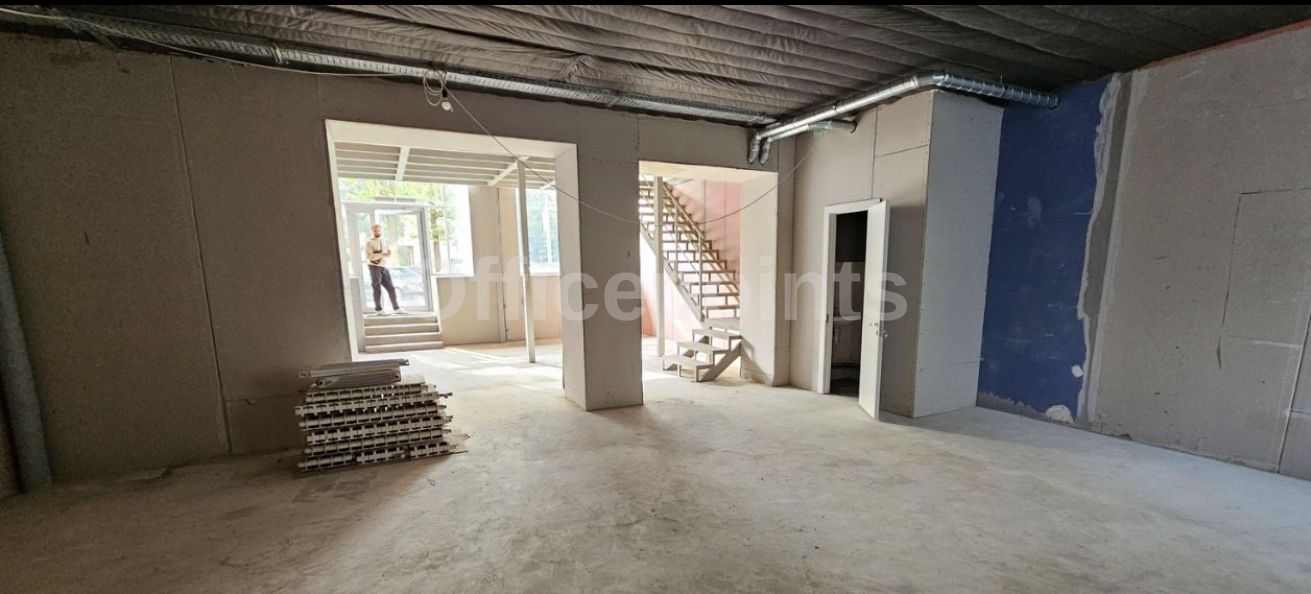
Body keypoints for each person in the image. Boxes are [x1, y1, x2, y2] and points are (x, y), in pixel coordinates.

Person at [365, 224, 405, 315]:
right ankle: (378, 309)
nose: (376, 231)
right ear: (372, 231)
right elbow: (369, 256)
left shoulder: (383, 240)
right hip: (374, 267)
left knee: (391, 288)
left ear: (380, 230)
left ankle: (396, 308)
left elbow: (384, 253)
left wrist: (387, 253)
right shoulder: (369, 242)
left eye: (378, 230)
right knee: (377, 287)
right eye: (374, 230)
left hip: (383, 266)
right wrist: (382, 254)